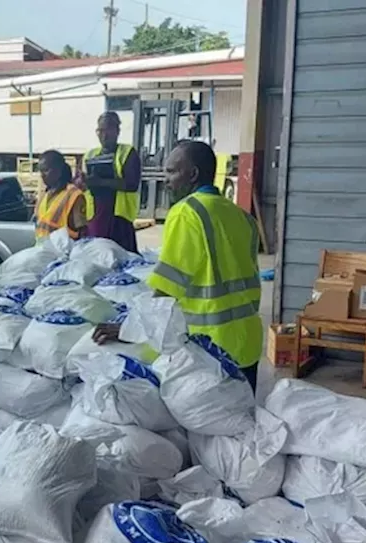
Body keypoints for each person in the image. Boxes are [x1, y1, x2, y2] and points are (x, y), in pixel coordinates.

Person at [94, 140, 263, 390]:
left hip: (211, 350)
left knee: (207, 425)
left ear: (193, 174)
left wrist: (127, 329)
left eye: (172, 171)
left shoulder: (187, 212)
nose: (167, 180)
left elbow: (166, 291)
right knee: (243, 423)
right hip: (248, 343)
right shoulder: (242, 217)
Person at [78, 112, 142, 253]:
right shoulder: (90, 155)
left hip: (118, 218)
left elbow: (131, 184)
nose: (104, 135)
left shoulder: (128, 153)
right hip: (96, 216)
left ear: (117, 131)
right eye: (100, 131)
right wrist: (82, 182)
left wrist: (100, 182)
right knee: (97, 255)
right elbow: (82, 184)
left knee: (121, 256)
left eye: (108, 130)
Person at [34, 150, 87, 242]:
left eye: (46, 170)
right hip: (42, 251)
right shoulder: (44, 195)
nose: (42, 175)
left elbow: (81, 233)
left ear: (58, 170)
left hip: (64, 253)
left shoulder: (74, 195)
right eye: (40, 171)